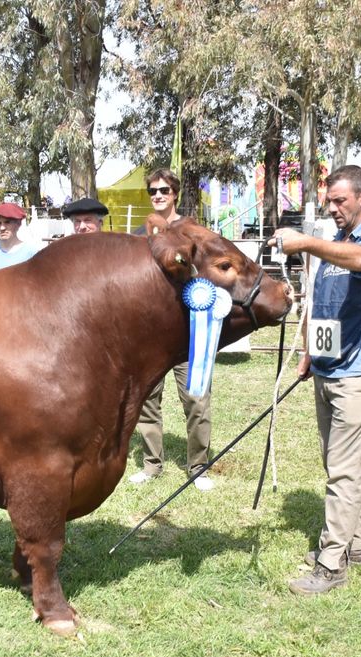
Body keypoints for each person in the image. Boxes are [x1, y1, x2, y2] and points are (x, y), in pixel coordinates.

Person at [267, 164, 361, 595]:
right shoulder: (337, 242)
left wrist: (307, 241)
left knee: (343, 472)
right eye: (329, 200)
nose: (333, 208)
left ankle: (331, 565)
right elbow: (325, 305)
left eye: (340, 200)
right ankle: (356, 546)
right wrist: (311, 353)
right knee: (341, 465)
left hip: (359, 370)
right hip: (328, 366)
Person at [128, 168, 216, 492]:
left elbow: (206, 272)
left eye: (164, 189)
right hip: (151, 336)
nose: (158, 196)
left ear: (175, 192)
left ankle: (198, 468)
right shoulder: (140, 234)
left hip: (187, 331)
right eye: (153, 191)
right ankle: (152, 464)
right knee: (148, 402)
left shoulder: (192, 230)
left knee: (197, 401)